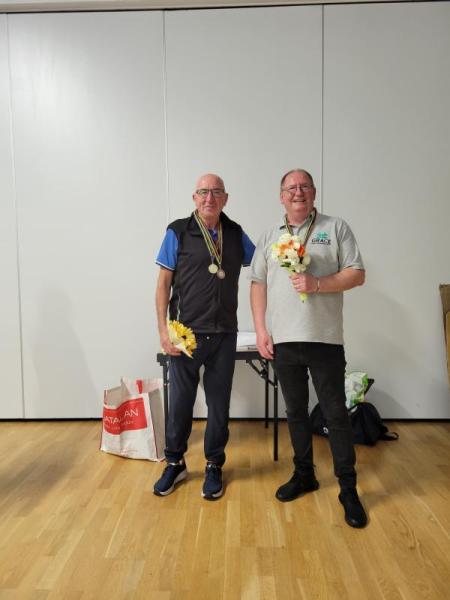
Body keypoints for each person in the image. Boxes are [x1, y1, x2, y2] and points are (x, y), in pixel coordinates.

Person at [250, 168, 367, 528]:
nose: (298, 192)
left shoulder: (336, 228)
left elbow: (357, 273)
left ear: (314, 193)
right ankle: (305, 475)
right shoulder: (270, 235)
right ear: (281, 196)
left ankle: (348, 488)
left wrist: (318, 283)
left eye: (304, 186)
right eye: (291, 187)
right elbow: (257, 283)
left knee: (335, 414)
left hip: (325, 339)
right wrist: (261, 329)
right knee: (295, 412)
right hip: (284, 341)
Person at [154, 173, 255, 500]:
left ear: (225, 198)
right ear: (194, 198)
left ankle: (214, 465)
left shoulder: (236, 234)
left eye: (215, 192)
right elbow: (163, 284)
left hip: (224, 334)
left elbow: (263, 266)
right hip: (185, 335)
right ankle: (175, 462)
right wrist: (163, 331)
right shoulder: (178, 231)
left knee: (219, 405)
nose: (209, 198)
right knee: (180, 404)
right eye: (203, 192)